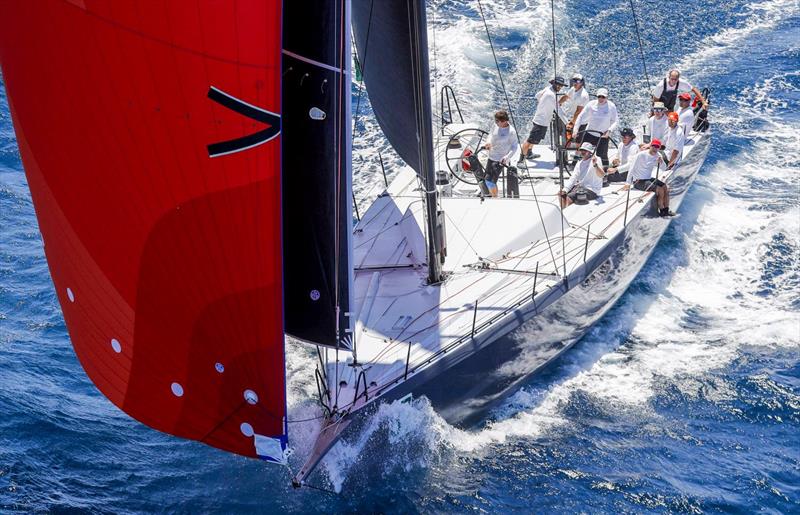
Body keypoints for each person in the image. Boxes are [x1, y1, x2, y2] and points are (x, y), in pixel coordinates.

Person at [520, 76, 567, 163]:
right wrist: (568, 124)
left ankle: (529, 153)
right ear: (553, 83)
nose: (559, 87)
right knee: (529, 140)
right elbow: (559, 111)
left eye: (561, 85)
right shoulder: (551, 95)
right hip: (541, 122)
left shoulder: (547, 89)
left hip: (540, 119)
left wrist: (544, 104)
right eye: (558, 85)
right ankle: (521, 160)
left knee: (534, 139)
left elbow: (537, 95)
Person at [623, 138, 675, 217]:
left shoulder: (658, 155)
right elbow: (631, 168)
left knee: (666, 188)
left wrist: (661, 163)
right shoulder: (641, 155)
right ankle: (662, 211)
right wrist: (627, 183)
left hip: (648, 179)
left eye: (657, 147)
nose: (655, 148)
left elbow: (664, 168)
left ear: (659, 148)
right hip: (639, 181)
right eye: (653, 146)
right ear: (650, 146)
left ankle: (666, 210)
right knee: (660, 190)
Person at [573, 87, 618, 167]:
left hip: (603, 136)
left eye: (603, 97)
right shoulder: (591, 104)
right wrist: (575, 130)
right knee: (583, 152)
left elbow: (615, 121)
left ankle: (605, 173)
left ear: (607, 97)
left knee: (602, 155)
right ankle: (577, 168)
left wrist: (609, 130)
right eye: (599, 96)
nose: (601, 98)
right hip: (589, 134)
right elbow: (580, 116)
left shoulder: (611, 106)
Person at [481, 110, 520, 197]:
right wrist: (488, 142)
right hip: (491, 156)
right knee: (488, 179)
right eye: (496, 121)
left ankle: (495, 198)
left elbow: (514, 147)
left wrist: (507, 157)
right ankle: (494, 195)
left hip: (500, 159)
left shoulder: (511, 132)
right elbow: (490, 134)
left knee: (490, 182)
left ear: (504, 121)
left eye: (497, 121)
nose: (496, 123)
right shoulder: (495, 125)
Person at [559, 142, 605, 207]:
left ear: (590, 152)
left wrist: (595, 165)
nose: (583, 152)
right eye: (582, 150)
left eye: (585, 150)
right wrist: (565, 189)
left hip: (593, 190)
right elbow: (573, 178)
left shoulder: (596, 160)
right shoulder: (579, 163)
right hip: (581, 188)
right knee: (562, 195)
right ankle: (563, 210)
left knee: (569, 197)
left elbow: (602, 175)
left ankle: (564, 209)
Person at [560, 73, 590, 140]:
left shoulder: (583, 95)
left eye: (578, 81)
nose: (575, 83)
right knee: (567, 139)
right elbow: (566, 97)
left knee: (577, 141)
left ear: (582, 83)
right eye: (574, 81)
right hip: (572, 118)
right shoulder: (573, 89)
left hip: (581, 121)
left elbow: (578, 111)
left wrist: (571, 123)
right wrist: (558, 103)